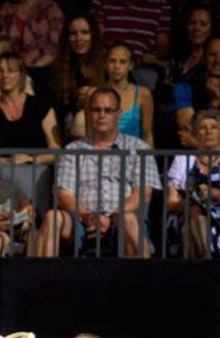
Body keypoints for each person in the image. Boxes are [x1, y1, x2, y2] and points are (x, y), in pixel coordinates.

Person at [33, 87, 159, 258]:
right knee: (51, 217)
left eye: (107, 110)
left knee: (128, 220)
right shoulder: (72, 150)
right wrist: (88, 216)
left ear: (119, 113)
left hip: (122, 218)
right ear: (88, 113)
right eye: (96, 110)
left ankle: (141, 283)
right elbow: (64, 194)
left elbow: (142, 194)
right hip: (81, 220)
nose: (101, 115)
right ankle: (40, 281)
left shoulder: (139, 148)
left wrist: (113, 216)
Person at [165, 109, 220, 259]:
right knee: (194, 213)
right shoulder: (182, 159)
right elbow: (171, 203)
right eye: (203, 128)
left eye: (214, 127)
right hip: (185, 216)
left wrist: (213, 193)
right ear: (196, 134)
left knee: (189, 229)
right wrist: (190, 201)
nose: (208, 131)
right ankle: (207, 262)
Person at [0, 52, 60, 165]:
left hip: (37, 173)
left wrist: (30, 160)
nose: (5, 76)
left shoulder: (42, 107)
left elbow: (56, 152)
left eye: (11, 70)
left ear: (21, 74)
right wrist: (6, 161)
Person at [51, 13, 105, 142]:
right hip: (72, 128)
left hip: (105, 120)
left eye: (85, 32)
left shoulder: (107, 64)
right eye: (73, 33)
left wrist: (94, 96)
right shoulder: (59, 69)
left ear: (93, 36)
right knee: (79, 120)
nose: (79, 38)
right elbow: (57, 110)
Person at [0, 0, 63, 91]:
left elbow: (56, 47)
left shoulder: (49, 8)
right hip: (11, 72)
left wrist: (31, 69)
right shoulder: (4, 10)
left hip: (43, 72)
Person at [89, 0, 171, 73]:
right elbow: (94, 40)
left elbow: (163, 49)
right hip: (108, 65)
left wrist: (151, 60)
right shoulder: (100, 2)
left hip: (144, 68)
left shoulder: (160, 5)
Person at [101, 42, 153, 145]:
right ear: (105, 64)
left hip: (133, 157)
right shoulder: (94, 94)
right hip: (103, 156)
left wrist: (149, 160)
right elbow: (89, 135)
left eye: (122, 62)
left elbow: (147, 135)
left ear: (131, 65)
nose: (116, 66)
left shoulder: (143, 94)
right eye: (112, 61)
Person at [168, 1, 220, 85]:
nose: (196, 28)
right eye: (192, 23)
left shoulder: (216, 61)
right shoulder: (179, 56)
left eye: (203, 24)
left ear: (211, 30)